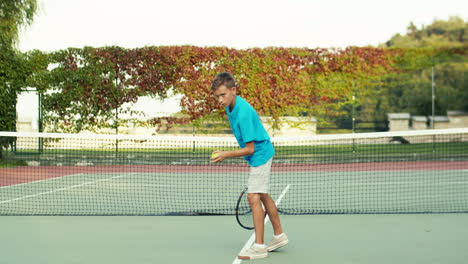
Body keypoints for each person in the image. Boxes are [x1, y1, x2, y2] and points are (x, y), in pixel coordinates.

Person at [210, 72, 288, 260]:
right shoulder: (231, 106)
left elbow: (250, 148)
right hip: (260, 154)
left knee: (253, 197)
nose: (220, 100)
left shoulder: (243, 112)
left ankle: (259, 247)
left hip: (260, 154)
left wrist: (225, 154)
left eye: (223, 95)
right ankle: (279, 235)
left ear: (233, 90)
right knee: (262, 195)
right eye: (216, 96)